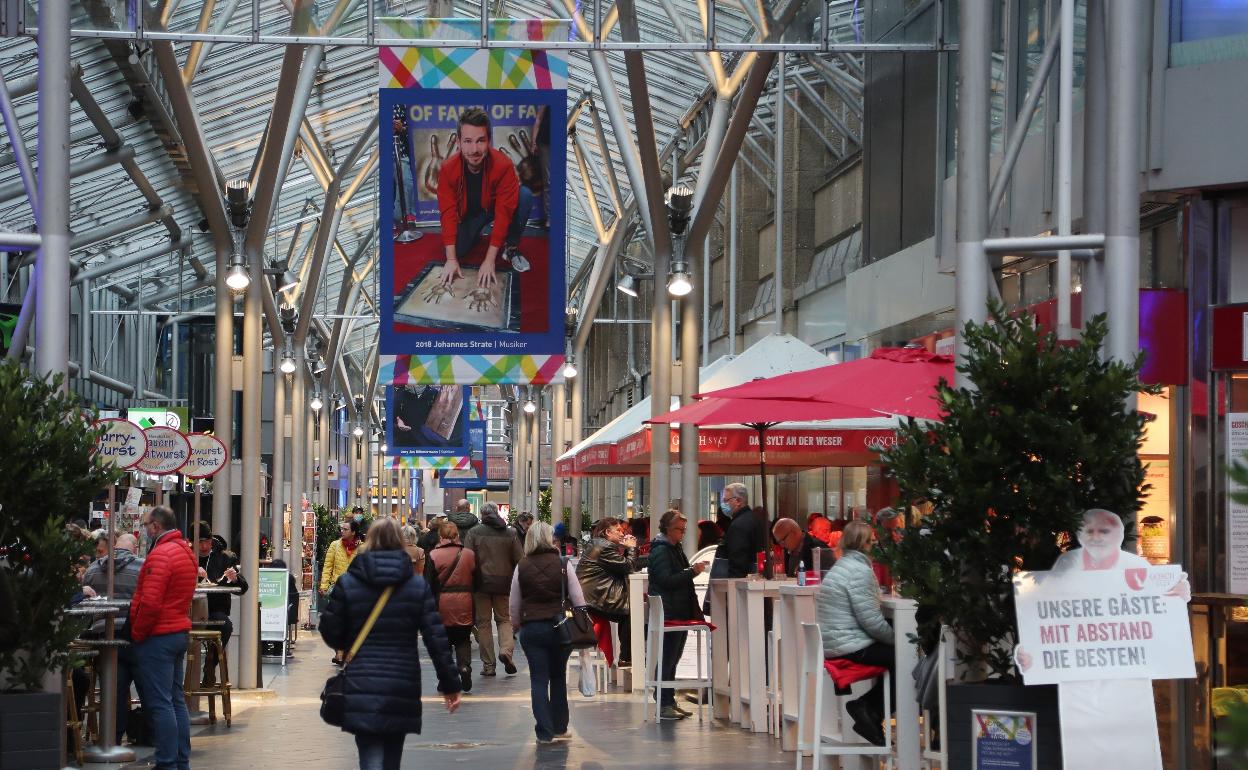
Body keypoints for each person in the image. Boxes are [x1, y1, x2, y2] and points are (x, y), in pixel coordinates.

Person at [319, 517, 462, 770]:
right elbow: (436, 638)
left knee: (369, 753)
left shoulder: (349, 583)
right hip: (401, 682)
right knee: (392, 756)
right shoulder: (415, 586)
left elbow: (330, 631)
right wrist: (450, 684)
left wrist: (348, 642)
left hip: (361, 679)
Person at [127, 506, 197, 770]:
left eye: (146, 525)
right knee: (176, 700)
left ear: (156, 526)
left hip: (158, 636)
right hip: (177, 631)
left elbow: (150, 602)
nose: (145, 530)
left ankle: (167, 763)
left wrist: (137, 632)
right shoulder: (185, 552)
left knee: (160, 703)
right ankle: (180, 760)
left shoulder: (160, 555)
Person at [816, 520, 894, 746]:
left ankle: (871, 714)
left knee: (895, 654)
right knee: (904, 657)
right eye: (873, 541)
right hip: (851, 648)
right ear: (865, 544)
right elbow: (872, 622)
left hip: (837, 644)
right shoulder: (860, 571)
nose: (876, 546)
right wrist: (898, 638)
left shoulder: (841, 566)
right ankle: (869, 708)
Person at [437, 107, 533, 289]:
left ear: (489, 140)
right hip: (469, 215)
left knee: (524, 196)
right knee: (458, 250)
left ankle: (511, 248)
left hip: (494, 208)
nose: (474, 149)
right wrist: (451, 259)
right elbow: (447, 212)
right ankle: (475, 235)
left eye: (480, 141)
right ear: (458, 142)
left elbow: (504, 212)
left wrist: (489, 260)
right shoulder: (448, 169)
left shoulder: (503, 165)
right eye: (467, 141)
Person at [509, 521, 586, 744]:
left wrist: (516, 625)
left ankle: (544, 732)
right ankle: (560, 727)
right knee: (558, 677)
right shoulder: (563, 563)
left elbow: (514, 602)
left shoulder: (522, 566)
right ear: (550, 539)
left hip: (532, 629)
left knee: (538, 680)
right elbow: (578, 599)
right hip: (560, 627)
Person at [648, 510, 710, 720]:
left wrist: (690, 571)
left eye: (684, 530)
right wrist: (692, 572)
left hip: (677, 610)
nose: (682, 533)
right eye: (679, 529)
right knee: (668, 656)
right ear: (667, 529)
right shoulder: (662, 550)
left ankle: (668, 700)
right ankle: (663, 702)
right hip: (670, 611)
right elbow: (666, 579)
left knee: (673, 656)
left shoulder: (673, 548)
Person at [81, 532, 144, 742]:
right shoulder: (142, 567)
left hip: (103, 634)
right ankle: (145, 733)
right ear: (134, 549)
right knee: (145, 684)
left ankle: (112, 737)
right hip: (134, 633)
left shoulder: (93, 569)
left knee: (113, 687)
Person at [463, 502, 524, 676]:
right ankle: (506, 651)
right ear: (496, 513)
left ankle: (489, 665)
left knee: (483, 624)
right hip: (504, 584)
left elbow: (467, 559)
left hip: (480, 584)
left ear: (482, 514)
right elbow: (520, 560)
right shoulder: (511, 533)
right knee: (504, 620)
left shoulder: (474, 533)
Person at [575, 517, 639, 666]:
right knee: (629, 612)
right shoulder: (604, 547)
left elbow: (622, 566)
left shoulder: (599, 544)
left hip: (589, 596)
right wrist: (631, 548)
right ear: (608, 533)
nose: (622, 533)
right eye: (619, 530)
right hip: (593, 599)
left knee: (628, 609)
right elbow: (628, 567)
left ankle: (627, 657)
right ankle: (626, 658)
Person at [194, 524, 248, 685]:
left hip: (215, 609)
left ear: (212, 540)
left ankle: (210, 664)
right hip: (188, 611)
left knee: (225, 625)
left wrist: (234, 578)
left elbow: (243, 588)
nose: (204, 546)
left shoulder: (224, 558)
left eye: (207, 541)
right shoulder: (185, 556)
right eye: (199, 542)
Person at [427, 519, 477, 692]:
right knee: (463, 638)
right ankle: (464, 666)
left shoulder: (434, 555)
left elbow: (428, 584)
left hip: (442, 604)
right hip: (465, 602)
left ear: (440, 535)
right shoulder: (469, 554)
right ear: (456, 535)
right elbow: (477, 580)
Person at [321, 518, 362, 665]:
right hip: (337, 588)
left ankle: (348, 652)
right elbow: (328, 566)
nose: (342, 531)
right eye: (341, 529)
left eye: (345, 529)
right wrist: (324, 585)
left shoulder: (362, 548)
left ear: (353, 532)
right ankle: (339, 652)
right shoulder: (335, 545)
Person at [717, 482, 763, 578]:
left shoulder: (738, 525)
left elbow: (737, 562)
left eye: (726, 500)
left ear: (738, 501)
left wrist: (732, 583)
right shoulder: (754, 519)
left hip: (741, 580)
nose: (723, 505)